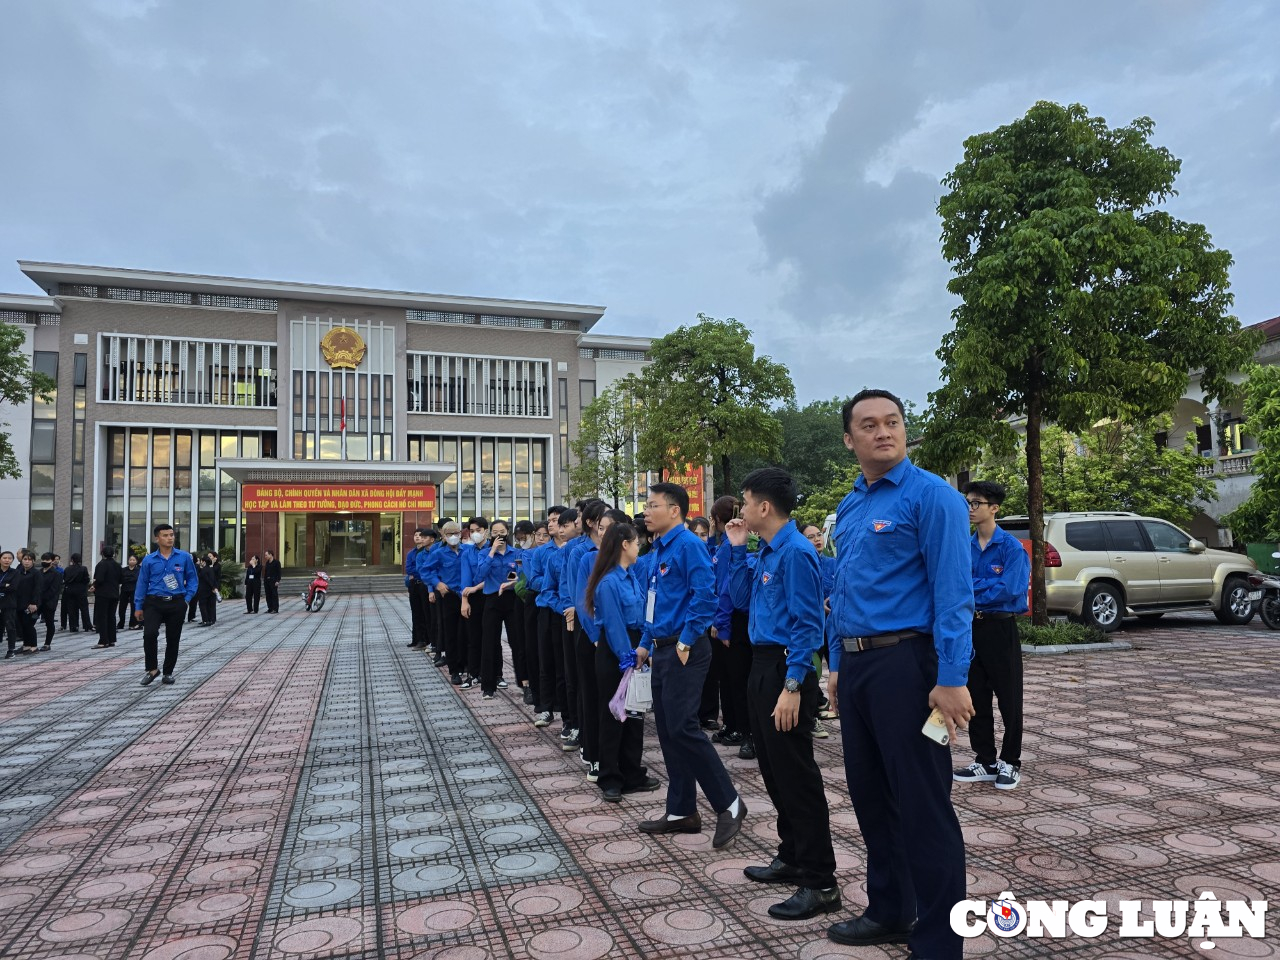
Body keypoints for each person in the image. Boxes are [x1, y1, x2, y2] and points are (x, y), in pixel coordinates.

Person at [824, 389, 974, 960]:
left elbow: (954, 593)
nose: (883, 432)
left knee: (923, 807)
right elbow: (843, 591)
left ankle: (939, 944)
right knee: (870, 797)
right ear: (849, 439)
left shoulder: (932, 497)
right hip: (858, 666)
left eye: (892, 422)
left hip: (908, 666)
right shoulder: (852, 504)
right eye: (868, 425)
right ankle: (890, 910)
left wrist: (952, 676)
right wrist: (837, 664)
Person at [726, 468, 840, 920]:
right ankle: (792, 855)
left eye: (746, 502)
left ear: (765, 507)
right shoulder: (767, 551)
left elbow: (809, 625)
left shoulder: (795, 553)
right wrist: (737, 552)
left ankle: (820, 879)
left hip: (784, 669)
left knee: (797, 775)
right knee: (774, 771)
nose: (742, 509)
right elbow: (737, 600)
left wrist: (794, 686)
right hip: (761, 665)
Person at [634, 482, 746, 849]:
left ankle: (728, 803)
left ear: (675, 511)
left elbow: (705, 596)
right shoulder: (658, 550)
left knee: (684, 727)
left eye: (653, 505)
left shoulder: (690, 546)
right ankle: (682, 810)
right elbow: (655, 604)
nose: (646, 511)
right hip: (662, 648)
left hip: (686, 648)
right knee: (668, 730)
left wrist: (686, 638)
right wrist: (645, 643)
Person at [953, 479, 1030, 791]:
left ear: (994, 508)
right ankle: (984, 759)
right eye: (968, 503)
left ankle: (1010, 762)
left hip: (1001, 628)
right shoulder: (965, 546)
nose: (970, 509)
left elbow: (1011, 590)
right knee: (977, 697)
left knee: (1009, 697)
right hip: (972, 628)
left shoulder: (1011, 547)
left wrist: (973, 589)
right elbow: (957, 585)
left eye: (976, 503)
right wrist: (978, 590)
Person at [585, 521, 659, 801]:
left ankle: (632, 773)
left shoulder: (631, 577)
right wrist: (629, 658)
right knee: (614, 716)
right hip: (617, 652)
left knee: (635, 714)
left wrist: (643, 650)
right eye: (636, 542)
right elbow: (614, 627)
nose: (639, 545)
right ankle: (610, 778)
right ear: (624, 545)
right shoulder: (608, 582)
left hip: (635, 649)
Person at [708, 494, 753, 756]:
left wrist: (722, 624)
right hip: (724, 618)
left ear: (716, 519)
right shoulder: (722, 545)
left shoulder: (730, 548)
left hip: (733, 619)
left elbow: (726, 589)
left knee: (737, 679)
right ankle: (732, 724)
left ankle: (745, 729)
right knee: (726, 678)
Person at [134, 523, 199, 685]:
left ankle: (168, 672)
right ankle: (152, 669)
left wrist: (187, 599)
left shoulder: (184, 557)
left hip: (177, 603)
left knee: (173, 638)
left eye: (172, 535)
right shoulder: (149, 560)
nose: (170, 538)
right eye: (165, 535)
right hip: (153, 602)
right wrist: (138, 606)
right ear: (157, 538)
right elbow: (141, 584)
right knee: (149, 634)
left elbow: (193, 579)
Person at [532, 507, 573, 729]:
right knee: (545, 660)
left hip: (566, 613)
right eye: (549, 521)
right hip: (548, 610)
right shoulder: (542, 552)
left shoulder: (573, 551)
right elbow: (534, 581)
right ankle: (546, 708)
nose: (550, 525)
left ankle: (565, 710)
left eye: (556, 520)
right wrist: (554, 587)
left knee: (563, 664)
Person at [477, 519, 523, 699]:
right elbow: (480, 574)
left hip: (512, 599)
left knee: (517, 642)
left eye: (501, 531)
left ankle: (524, 683)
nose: (499, 535)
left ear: (507, 532)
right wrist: (493, 551)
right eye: (495, 532)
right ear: (490, 534)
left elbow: (519, 575)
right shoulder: (485, 553)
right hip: (492, 599)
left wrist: (511, 581)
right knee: (489, 642)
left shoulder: (516, 552)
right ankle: (488, 686)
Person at [427, 521, 466, 685]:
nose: (453, 536)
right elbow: (426, 570)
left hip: (466, 596)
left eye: (456, 533)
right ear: (443, 535)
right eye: (449, 534)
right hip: (448, 596)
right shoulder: (438, 553)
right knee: (450, 633)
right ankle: (454, 670)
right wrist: (437, 583)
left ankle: (467, 666)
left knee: (465, 633)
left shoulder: (468, 550)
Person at [458, 517, 491, 690]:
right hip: (473, 597)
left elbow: (496, 575)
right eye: (471, 531)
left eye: (478, 530)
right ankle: (473, 674)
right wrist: (464, 601)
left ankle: (495, 674)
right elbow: (465, 579)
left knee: (491, 638)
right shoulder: (467, 553)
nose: (475, 534)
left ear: (486, 530)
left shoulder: (494, 549)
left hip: (491, 596)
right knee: (473, 638)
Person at [405, 528, 433, 649]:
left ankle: (427, 640)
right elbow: (408, 569)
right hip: (414, 585)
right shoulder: (411, 553)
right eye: (415, 535)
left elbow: (425, 569)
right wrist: (418, 571)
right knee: (416, 612)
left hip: (425, 584)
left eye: (420, 535)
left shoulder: (429, 552)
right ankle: (417, 639)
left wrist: (418, 572)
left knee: (426, 613)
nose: (417, 537)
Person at [91, 547, 123, 649]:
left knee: (102, 617)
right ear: (113, 554)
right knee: (111, 616)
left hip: (103, 594)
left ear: (102, 554)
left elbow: (99, 579)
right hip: (114, 593)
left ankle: (103, 640)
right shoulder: (117, 565)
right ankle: (112, 639)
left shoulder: (101, 564)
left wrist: (94, 586)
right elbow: (121, 579)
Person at [37, 552, 63, 650]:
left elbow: (54, 590)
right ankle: (29, 643)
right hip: (37, 602)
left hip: (49, 602)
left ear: (52, 561)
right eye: (43, 560)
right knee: (30, 622)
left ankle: (47, 644)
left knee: (49, 623)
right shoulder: (38, 572)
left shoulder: (56, 574)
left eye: (47, 560)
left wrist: (43, 597)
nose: (44, 562)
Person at [16, 551, 40, 653]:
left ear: (33, 561)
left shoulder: (36, 573)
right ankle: (26, 645)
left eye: (29, 560)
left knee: (29, 624)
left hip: (31, 604)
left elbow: (38, 589)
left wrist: (34, 603)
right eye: (25, 559)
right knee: (21, 625)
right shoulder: (19, 572)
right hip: (19, 603)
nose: (27, 562)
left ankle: (34, 646)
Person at [62, 554, 93, 632]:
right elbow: (86, 580)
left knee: (71, 609)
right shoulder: (83, 568)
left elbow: (65, 579)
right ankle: (87, 625)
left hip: (70, 590)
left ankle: (73, 626)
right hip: (80, 590)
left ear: (72, 560)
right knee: (84, 608)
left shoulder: (67, 569)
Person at [0, 551, 20, 659]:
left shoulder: (15, 572)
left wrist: (3, 586)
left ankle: (11, 649)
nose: (7, 560)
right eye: (4, 558)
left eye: (9, 558)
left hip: (9, 603)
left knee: (10, 626)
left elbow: (13, 587)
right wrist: (5, 585)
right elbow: (7, 586)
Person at [118, 554, 140, 629]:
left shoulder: (138, 570)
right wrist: (129, 579)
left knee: (133, 607)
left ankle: (133, 623)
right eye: (130, 560)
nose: (132, 561)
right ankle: (121, 623)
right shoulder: (123, 569)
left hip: (134, 590)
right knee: (122, 607)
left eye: (133, 560)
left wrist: (128, 579)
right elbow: (121, 579)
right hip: (124, 589)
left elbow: (136, 579)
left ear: (136, 561)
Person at [263, 549, 282, 613]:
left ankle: (275, 608)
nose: (265, 556)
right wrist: (265, 580)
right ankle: (270, 608)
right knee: (268, 595)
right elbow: (266, 572)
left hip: (273, 581)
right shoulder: (267, 563)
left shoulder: (276, 562)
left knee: (274, 595)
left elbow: (279, 572)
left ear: (270, 554)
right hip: (267, 581)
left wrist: (277, 580)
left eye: (266, 555)